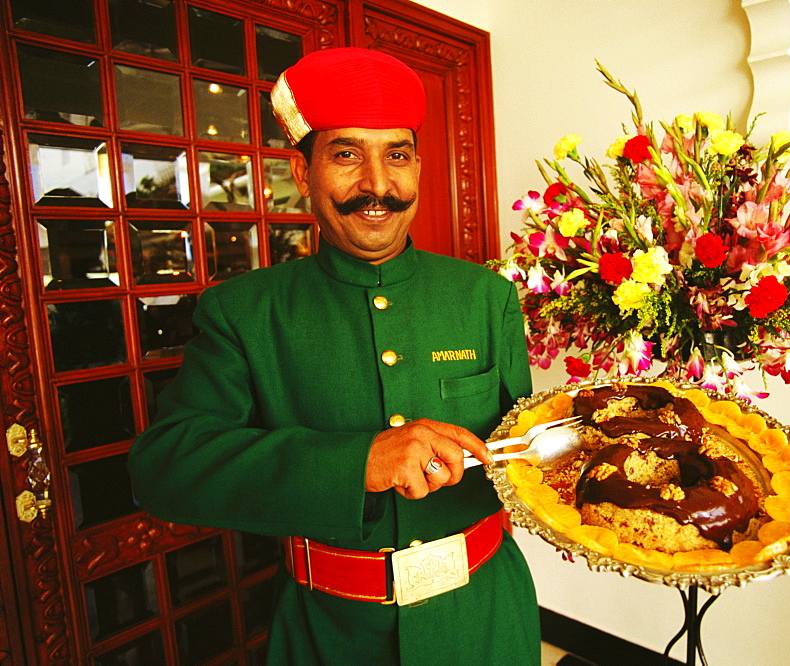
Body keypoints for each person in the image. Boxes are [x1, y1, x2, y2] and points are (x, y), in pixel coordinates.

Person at [128, 47, 540, 664]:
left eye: (396, 155)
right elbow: (162, 469)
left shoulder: (485, 296)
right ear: (303, 173)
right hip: (331, 632)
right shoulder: (245, 312)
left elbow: (520, 448)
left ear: (419, 167)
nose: (377, 184)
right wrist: (356, 464)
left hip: (485, 619)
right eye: (347, 154)